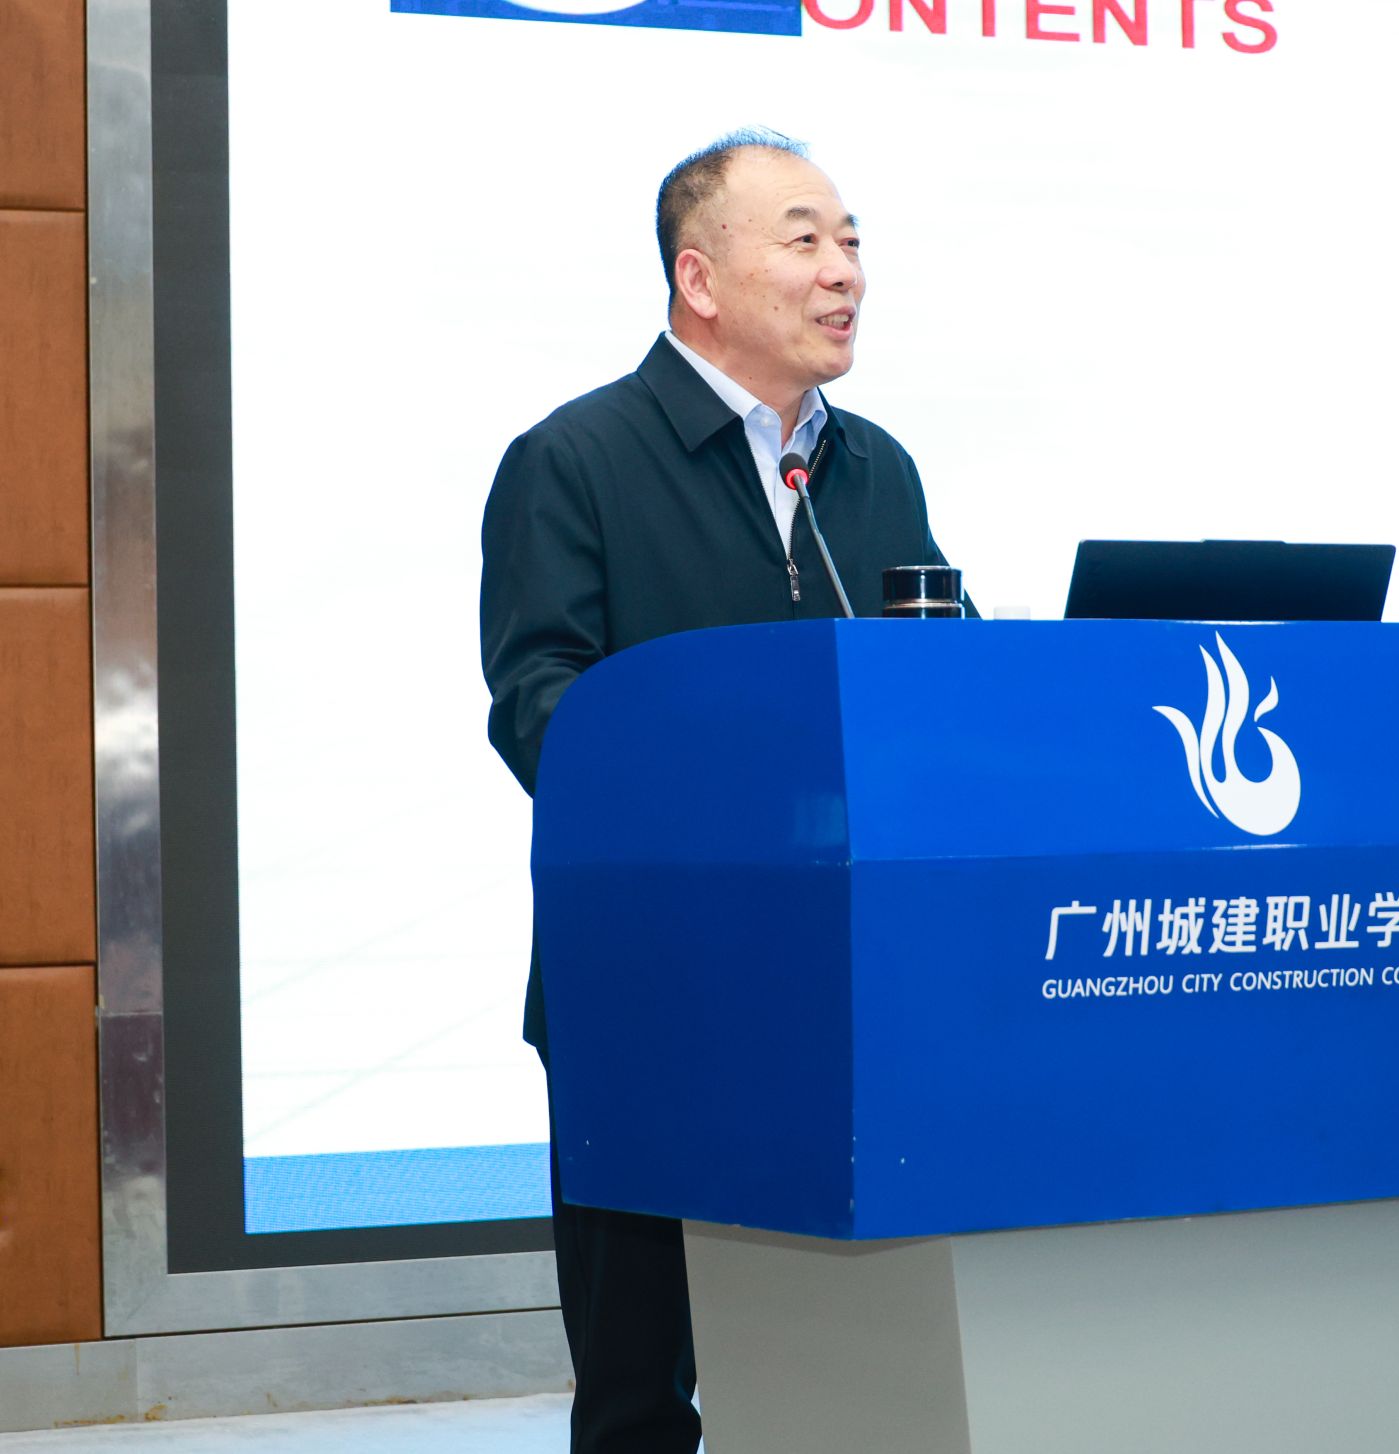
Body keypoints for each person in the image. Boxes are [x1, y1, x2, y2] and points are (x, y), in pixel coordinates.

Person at [479, 129, 961, 1453]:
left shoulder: (876, 468)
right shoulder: (576, 458)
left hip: (846, 984)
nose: (844, 270)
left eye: (851, 240)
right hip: (652, 985)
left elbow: (939, 687)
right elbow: (538, 707)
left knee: (848, 1366)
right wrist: (729, 794)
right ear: (699, 278)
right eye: (805, 240)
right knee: (641, 1391)